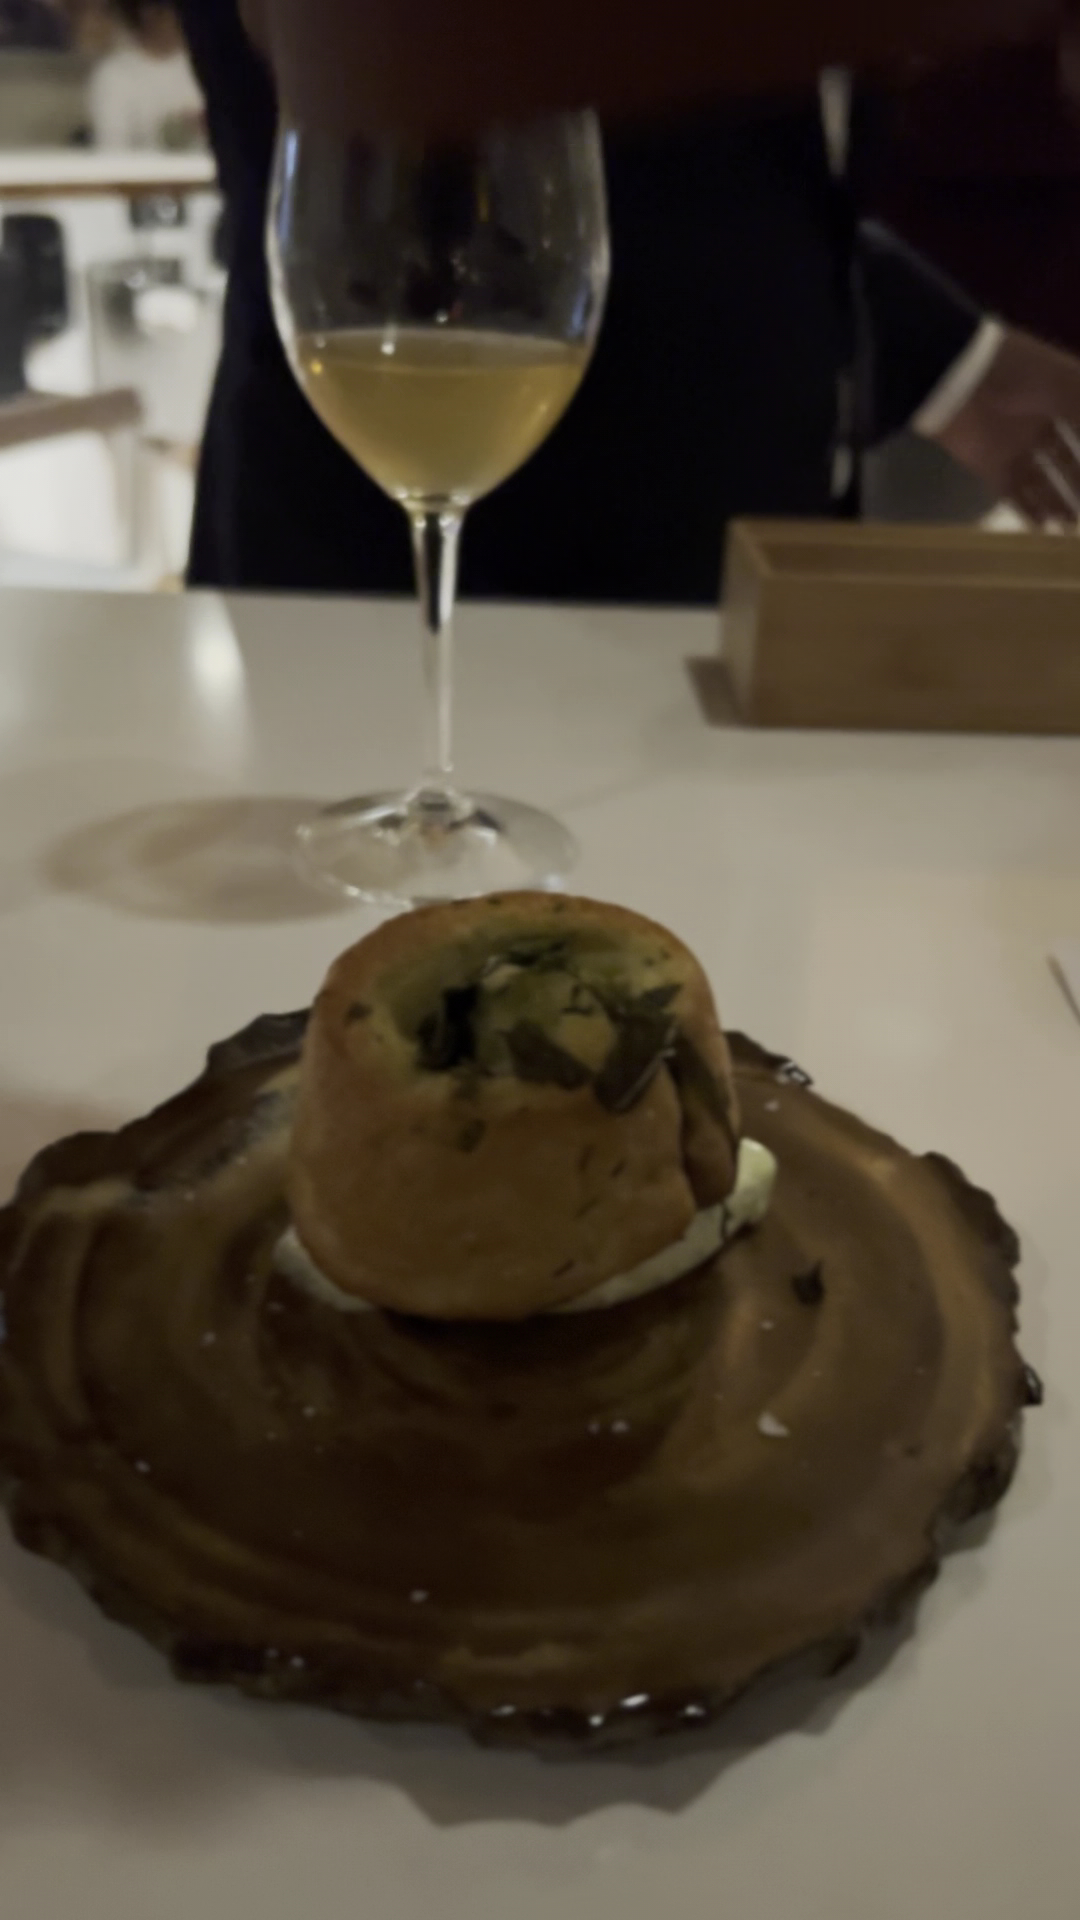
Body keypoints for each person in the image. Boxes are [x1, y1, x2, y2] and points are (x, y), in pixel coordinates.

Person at [176, 0, 1080, 601]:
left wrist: (961, 361)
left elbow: (734, 188)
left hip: (710, 601)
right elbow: (386, 64)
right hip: (396, 588)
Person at [88, 1, 205, 151]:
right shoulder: (113, 76)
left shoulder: (207, 66)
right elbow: (112, 148)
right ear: (144, 14)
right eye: (159, 11)